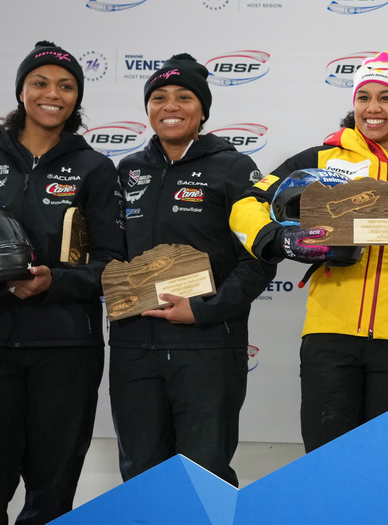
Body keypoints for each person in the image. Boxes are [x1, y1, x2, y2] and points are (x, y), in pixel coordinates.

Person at [229, 51, 388, 451]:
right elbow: (246, 205)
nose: (373, 108)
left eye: (386, 96)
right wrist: (281, 240)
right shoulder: (319, 159)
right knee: (327, 461)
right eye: (364, 97)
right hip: (330, 334)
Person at [110, 54, 275, 486]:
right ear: (147, 107)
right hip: (134, 350)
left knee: (205, 477)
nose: (171, 106)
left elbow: (259, 260)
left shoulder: (233, 168)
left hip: (206, 349)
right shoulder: (127, 171)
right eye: (159, 97)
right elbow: (109, 254)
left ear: (203, 109)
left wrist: (203, 310)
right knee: (140, 476)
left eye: (184, 97)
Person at [0, 41, 125, 525]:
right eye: (41, 83)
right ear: (22, 91)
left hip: (67, 346)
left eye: (66, 86)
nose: (53, 94)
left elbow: (113, 264)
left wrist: (56, 283)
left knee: (51, 492)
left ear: (77, 98)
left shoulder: (94, 168)